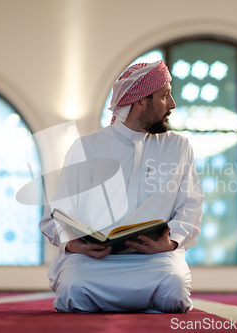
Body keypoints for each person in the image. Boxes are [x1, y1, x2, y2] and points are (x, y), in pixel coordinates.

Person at [39, 60, 204, 313]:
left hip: (155, 260)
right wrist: (73, 245)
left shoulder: (178, 147)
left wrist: (171, 243)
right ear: (140, 102)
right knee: (74, 289)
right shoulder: (87, 148)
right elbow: (55, 216)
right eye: (165, 96)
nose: (172, 104)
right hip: (93, 261)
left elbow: (190, 206)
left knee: (175, 288)